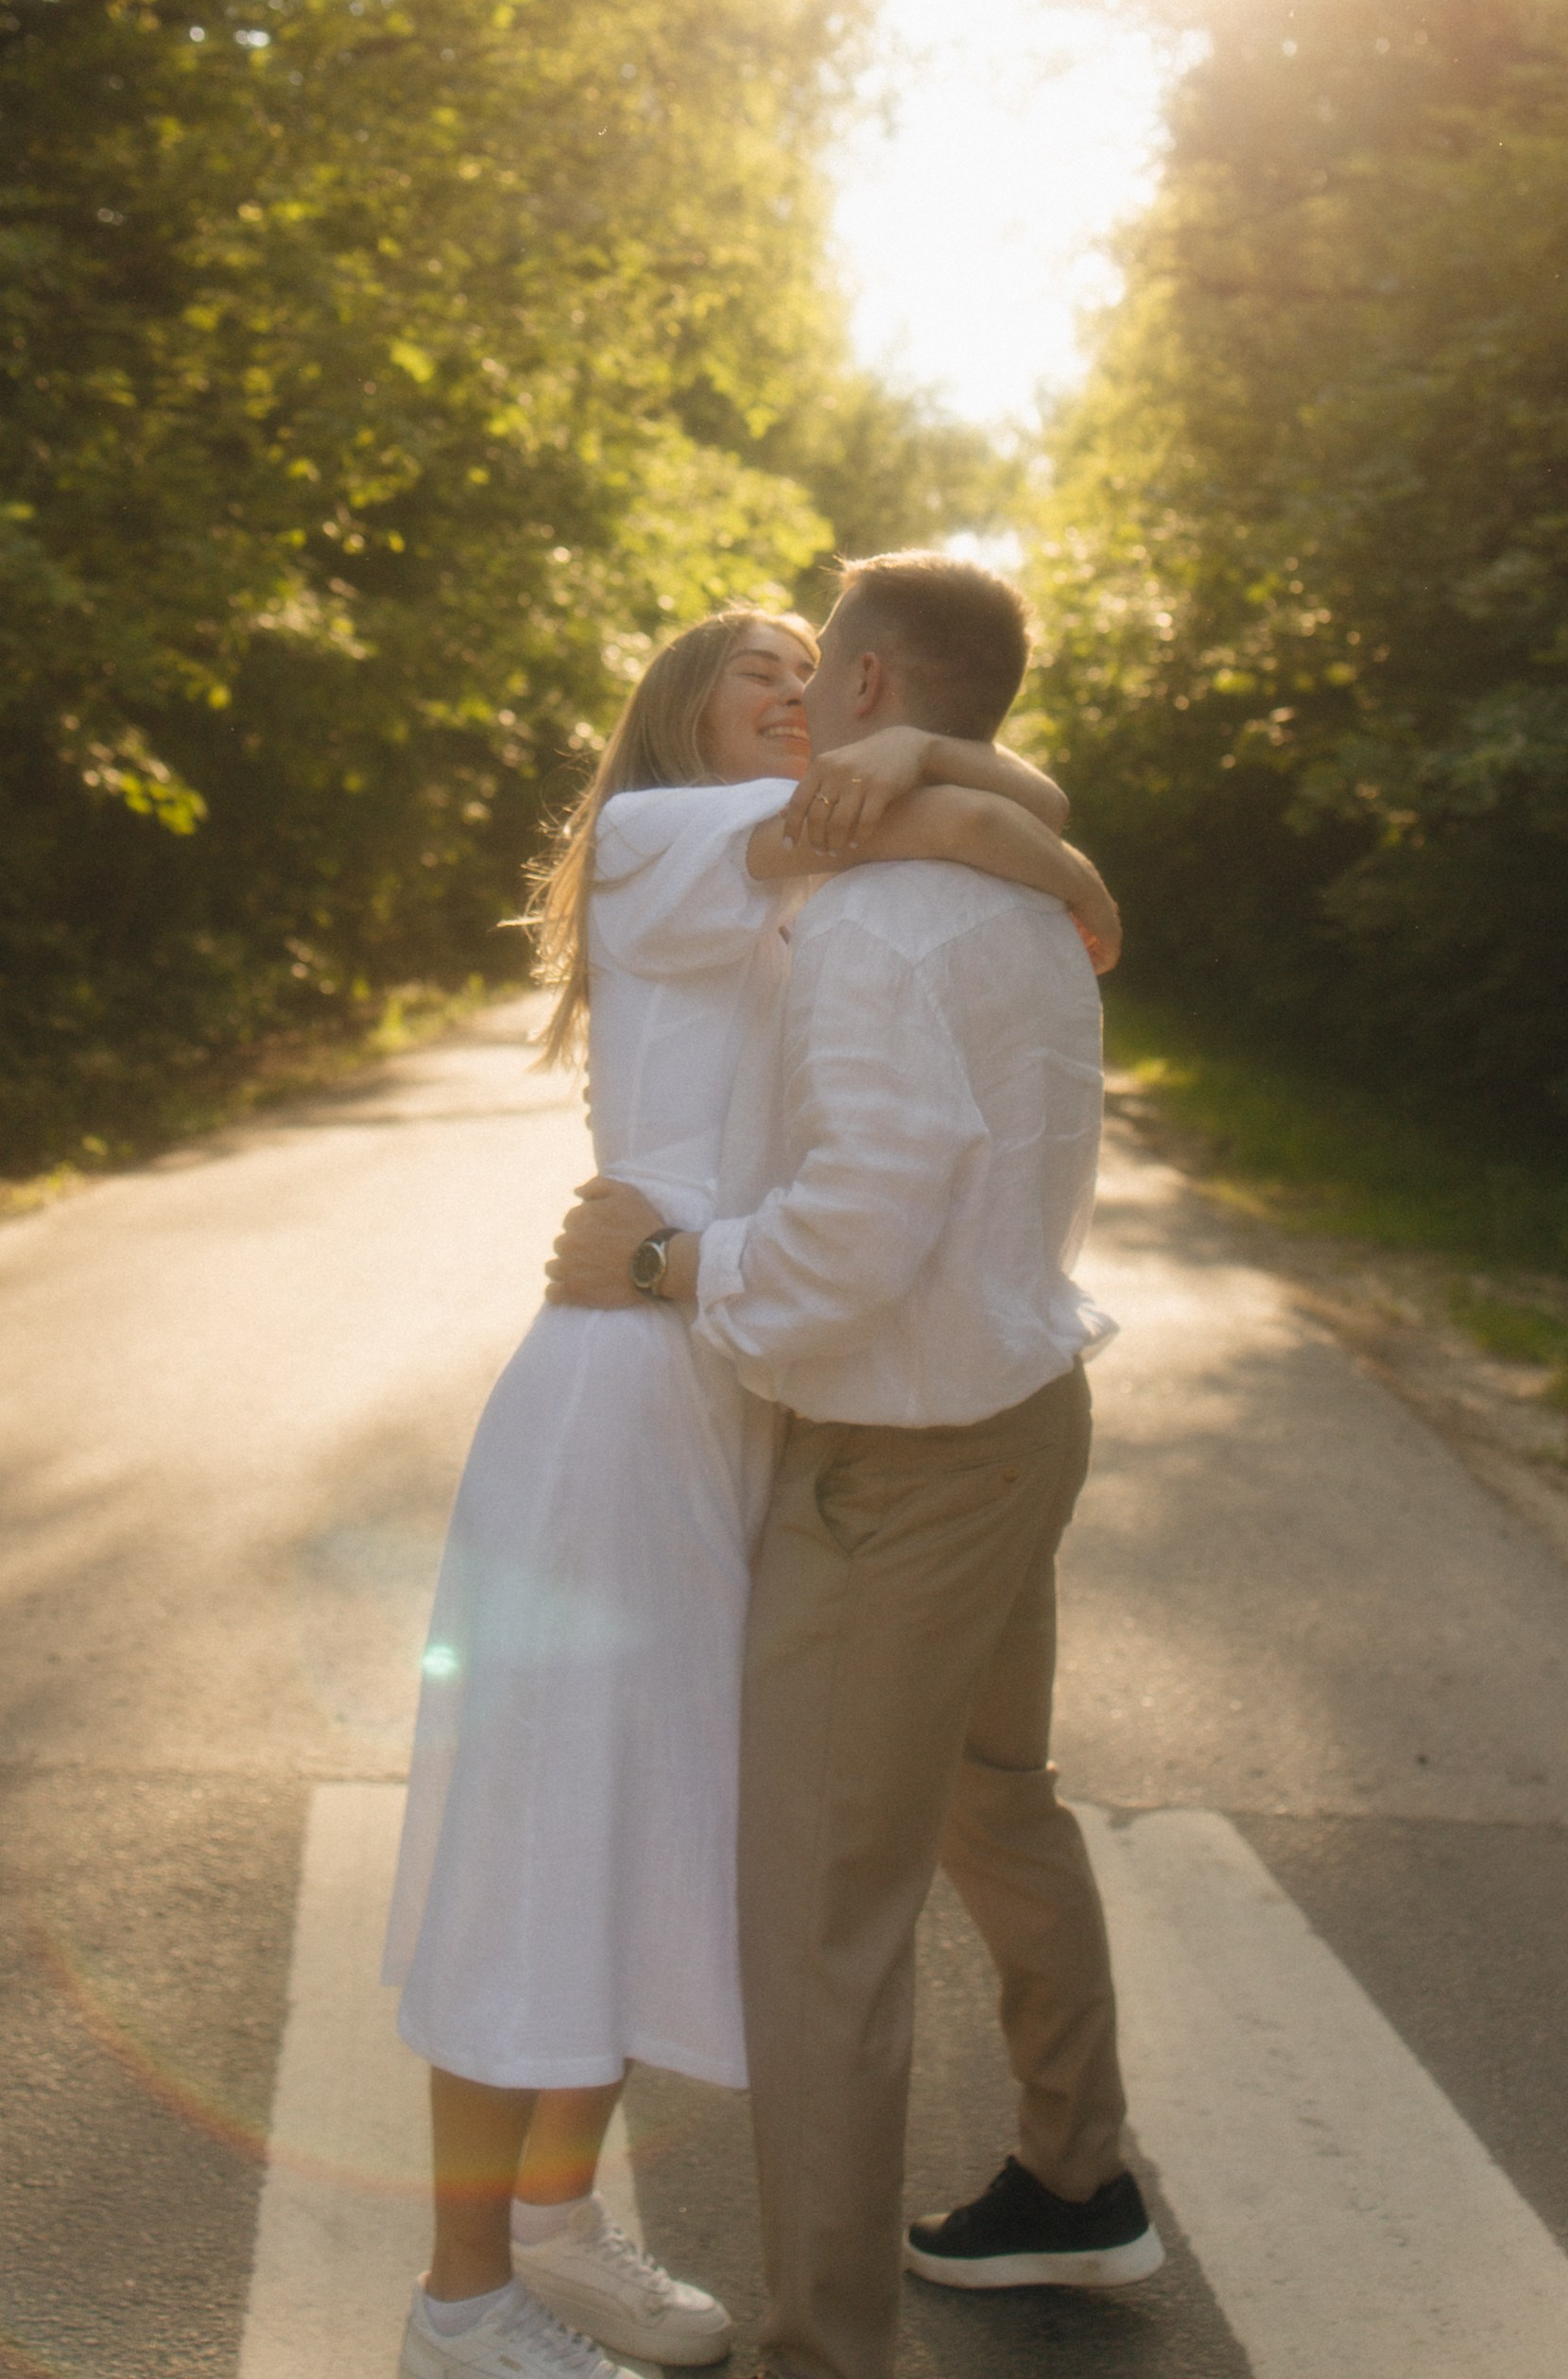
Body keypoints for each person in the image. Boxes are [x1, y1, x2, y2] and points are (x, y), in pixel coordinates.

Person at [387, 601, 1123, 2379]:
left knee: (643, 1842)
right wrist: (957, 791)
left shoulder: (805, 887)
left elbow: (1007, 830)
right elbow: (1009, 845)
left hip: (740, 1397)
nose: (798, 701)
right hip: (626, 1393)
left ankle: (559, 2233)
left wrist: (924, 746)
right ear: (676, 717)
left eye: (819, 677)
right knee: (541, 1846)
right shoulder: (658, 840)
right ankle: (461, 2302)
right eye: (757, 678)